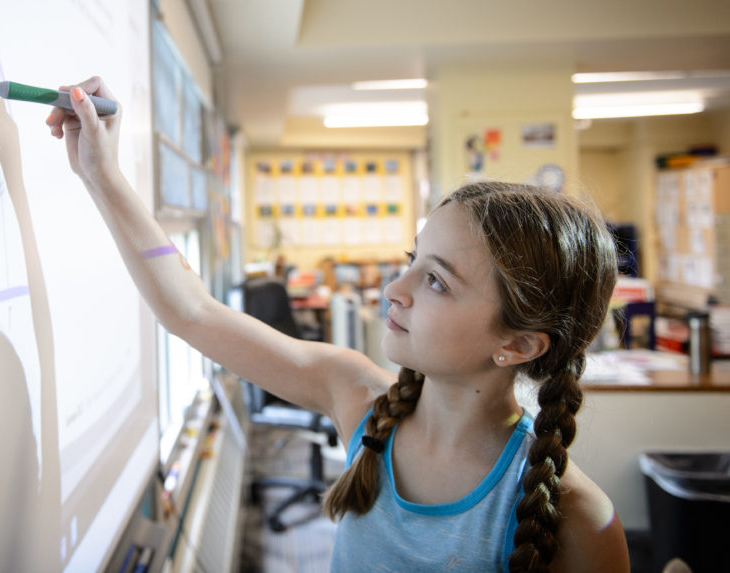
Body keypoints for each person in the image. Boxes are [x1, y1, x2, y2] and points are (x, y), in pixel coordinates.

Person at [46, 77, 630, 572]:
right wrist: (102, 175)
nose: (393, 291)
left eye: (436, 281)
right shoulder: (358, 396)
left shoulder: (577, 518)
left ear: (518, 343)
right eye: (412, 262)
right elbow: (191, 311)